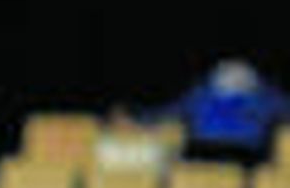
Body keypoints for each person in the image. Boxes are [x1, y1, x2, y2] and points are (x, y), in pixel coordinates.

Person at [117, 59, 290, 165]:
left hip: (219, 153)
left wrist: (135, 119)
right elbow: (165, 114)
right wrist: (135, 119)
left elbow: (164, 114)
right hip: (228, 153)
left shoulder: (264, 97)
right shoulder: (266, 96)